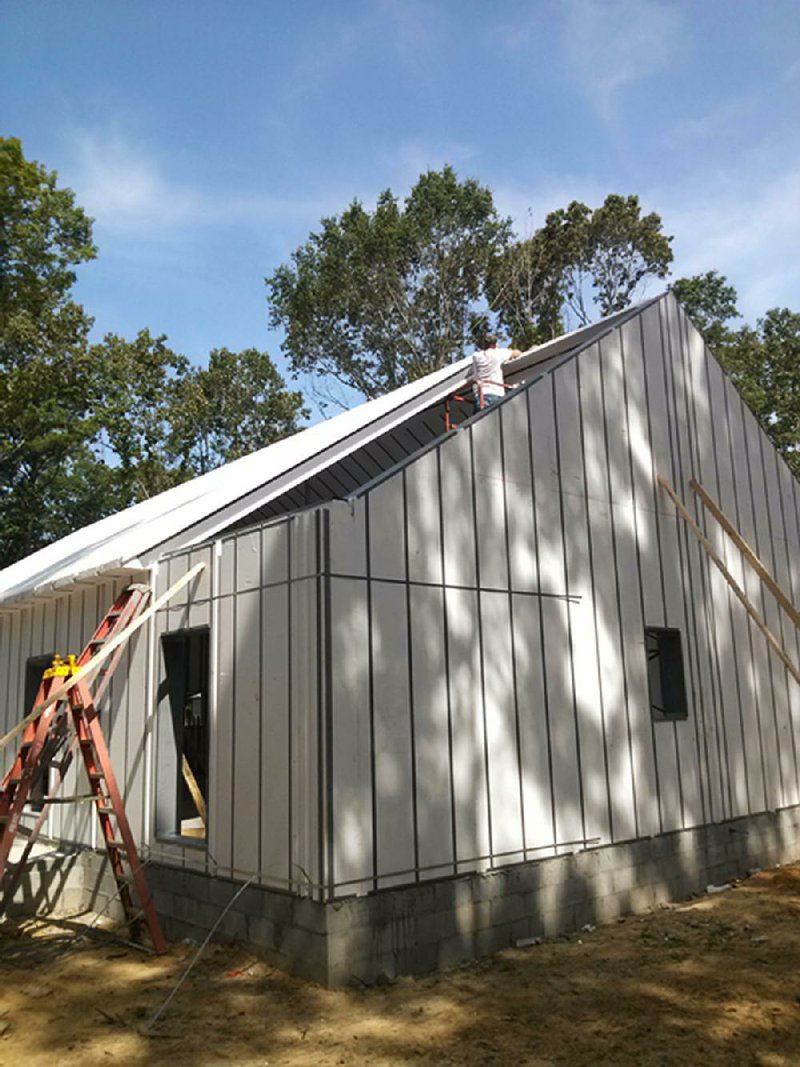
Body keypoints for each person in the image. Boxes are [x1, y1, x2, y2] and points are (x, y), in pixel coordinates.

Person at [471, 333, 522, 412]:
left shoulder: (476, 356)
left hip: (481, 397)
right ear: (494, 344)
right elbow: (517, 353)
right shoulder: (498, 353)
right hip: (495, 395)